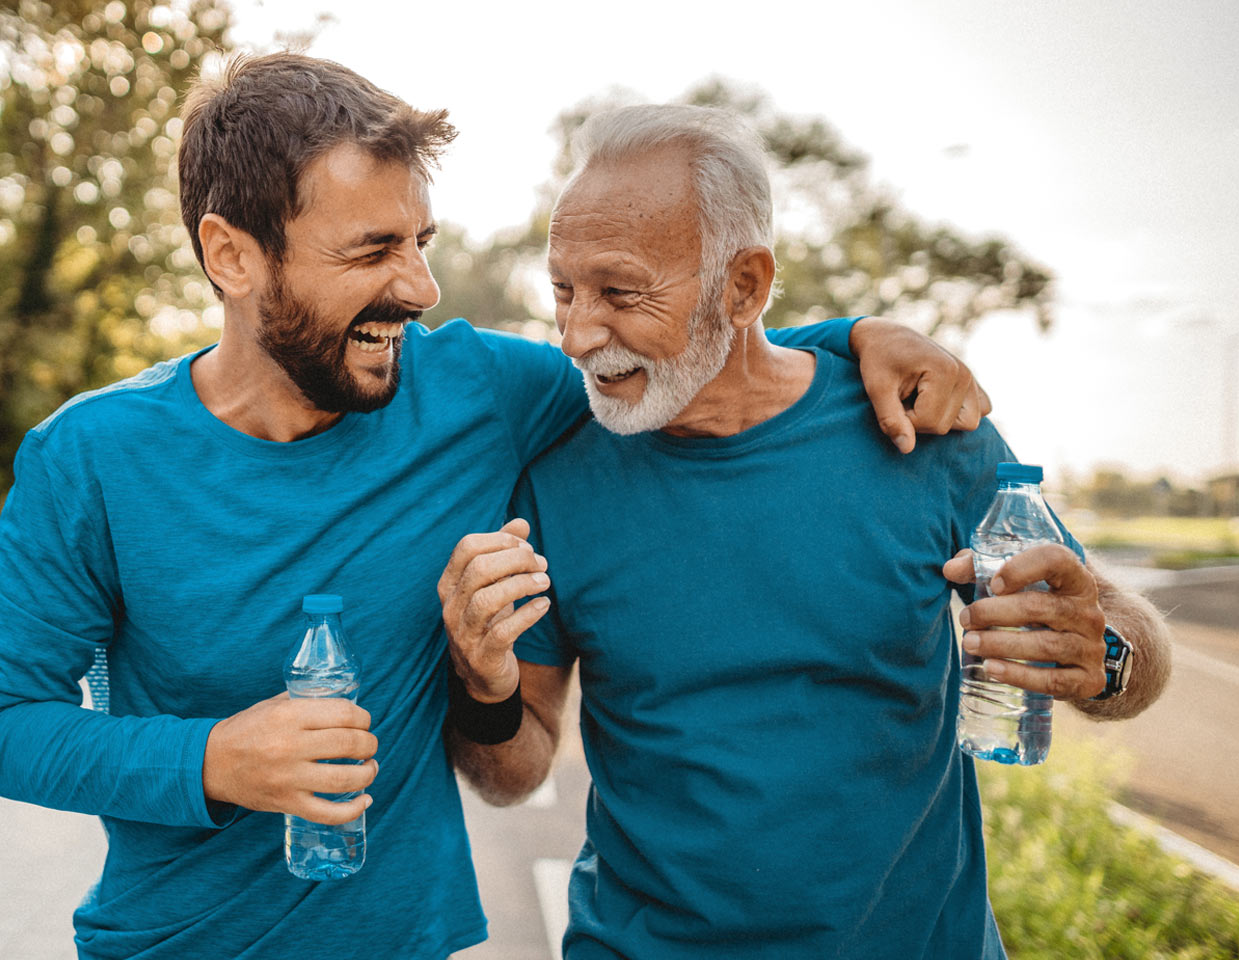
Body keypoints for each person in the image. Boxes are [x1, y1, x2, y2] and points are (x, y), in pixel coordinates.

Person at [0, 54, 991, 960]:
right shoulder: (90, 460)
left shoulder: (476, 392)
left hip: (410, 942)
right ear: (231, 256)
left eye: (421, 240)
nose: (420, 285)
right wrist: (208, 758)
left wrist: (852, 337)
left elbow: (683, 354)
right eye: (372, 249)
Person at [438, 104, 1175, 960]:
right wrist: (481, 683)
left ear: (744, 286)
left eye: (620, 292)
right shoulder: (556, 482)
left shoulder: (920, 429)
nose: (575, 334)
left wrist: (1106, 658)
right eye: (562, 290)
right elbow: (513, 773)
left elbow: (1126, 641)